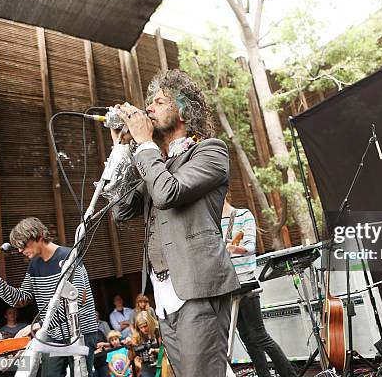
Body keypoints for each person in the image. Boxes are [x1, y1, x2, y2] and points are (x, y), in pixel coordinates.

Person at [111, 68, 239, 376]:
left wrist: (144, 145)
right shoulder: (156, 163)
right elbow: (121, 210)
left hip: (198, 287)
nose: (149, 109)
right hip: (164, 295)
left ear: (183, 110)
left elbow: (169, 193)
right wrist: (121, 148)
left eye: (158, 102)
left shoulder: (209, 151)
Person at [0, 217, 98, 375]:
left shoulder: (70, 257)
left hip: (81, 333)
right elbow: (21, 298)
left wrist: (37, 325)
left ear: (39, 236)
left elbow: (78, 300)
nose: (20, 250)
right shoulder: (34, 265)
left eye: (23, 244)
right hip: (53, 335)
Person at [222, 196, 297, 377]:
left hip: (245, 282)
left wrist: (234, 249)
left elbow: (250, 246)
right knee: (247, 338)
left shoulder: (242, 215)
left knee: (259, 335)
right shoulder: (211, 223)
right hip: (227, 285)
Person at [130, 311, 160, 377]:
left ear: (150, 323)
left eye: (145, 326)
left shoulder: (157, 331)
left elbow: (164, 349)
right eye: (141, 327)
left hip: (160, 362)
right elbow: (132, 357)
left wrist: (155, 350)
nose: (144, 329)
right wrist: (129, 347)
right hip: (146, 365)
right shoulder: (136, 336)